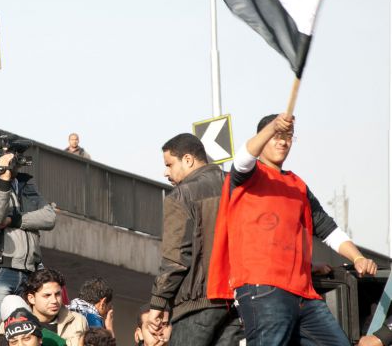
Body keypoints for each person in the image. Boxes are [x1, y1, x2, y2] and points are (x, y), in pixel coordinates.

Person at [207, 113, 379, 346]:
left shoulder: (298, 186)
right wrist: (272, 127)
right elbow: (242, 158)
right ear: (263, 137)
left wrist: (357, 257)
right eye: (276, 135)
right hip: (263, 288)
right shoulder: (246, 176)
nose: (283, 142)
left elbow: (328, 230)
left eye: (288, 137)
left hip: (302, 293)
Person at [147, 133, 242, 346]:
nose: (166, 172)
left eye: (169, 164)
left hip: (196, 304)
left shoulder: (181, 196)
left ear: (188, 160)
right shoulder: (237, 187)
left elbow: (176, 259)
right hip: (236, 302)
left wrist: (158, 303)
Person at [0, 134, 56, 346]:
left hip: (29, 270)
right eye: (14, 155)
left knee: (26, 334)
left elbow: (49, 217)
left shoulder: (27, 186)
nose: (18, 160)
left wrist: (14, 220)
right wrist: (4, 180)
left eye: (19, 156)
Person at [23, 269, 87, 346]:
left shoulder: (78, 321)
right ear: (31, 298)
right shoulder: (15, 325)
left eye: (57, 294)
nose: (54, 300)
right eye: (47, 295)